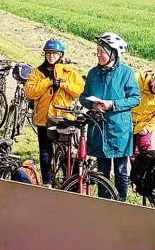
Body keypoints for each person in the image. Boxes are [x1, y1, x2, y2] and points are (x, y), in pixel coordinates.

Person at [80, 32, 141, 201]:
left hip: (119, 130)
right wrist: (92, 104)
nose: (98, 54)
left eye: (102, 51)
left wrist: (112, 104)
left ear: (114, 53)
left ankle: (121, 203)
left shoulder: (126, 73)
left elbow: (135, 98)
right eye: (97, 50)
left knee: (121, 171)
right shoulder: (93, 73)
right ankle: (103, 203)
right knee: (102, 172)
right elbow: (83, 96)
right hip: (99, 129)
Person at [24, 38, 85, 186]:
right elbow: (29, 92)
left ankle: (70, 181)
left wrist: (64, 84)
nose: (51, 56)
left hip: (63, 118)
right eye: (48, 53)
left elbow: (80, 91)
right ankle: (47, 182)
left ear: (60, 55)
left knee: (67, 151)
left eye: (55, 53)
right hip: (44, 119)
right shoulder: (38, 72)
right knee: (45, 152)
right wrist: (48, 81)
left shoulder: (69, 72)